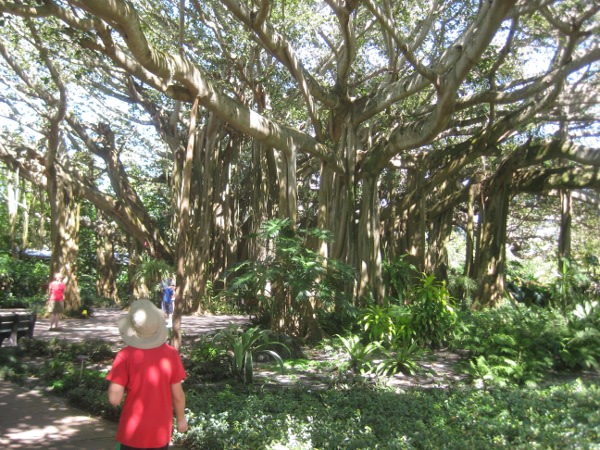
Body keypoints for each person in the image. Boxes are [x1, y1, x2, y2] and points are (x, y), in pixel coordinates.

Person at [107, 299, 188, 450]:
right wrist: (181, 419)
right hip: (160, 433)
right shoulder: (171, 354)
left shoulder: (124, 356)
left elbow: (114, 399)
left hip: (131, 433)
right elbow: (178, 394)